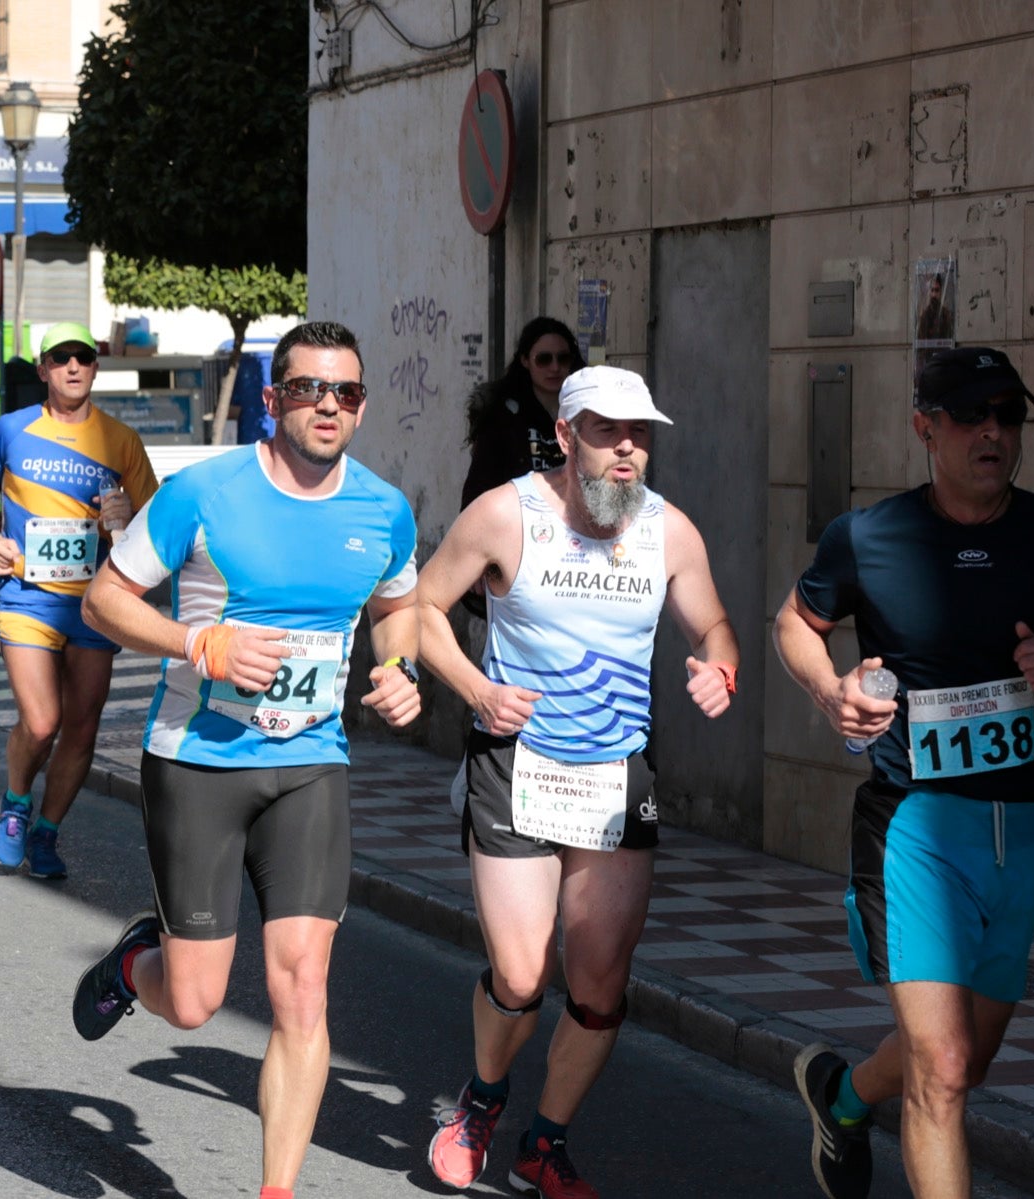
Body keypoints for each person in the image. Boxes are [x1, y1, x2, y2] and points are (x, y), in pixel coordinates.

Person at [75, 320, 421, 1199]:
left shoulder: (384, 508)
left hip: (310, 764)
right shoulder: (205, 492)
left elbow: (399, 603)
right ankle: (132, 966)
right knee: (193, 1003)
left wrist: (401, 667)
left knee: (303, 989)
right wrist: (199, 644)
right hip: (196, 762)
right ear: (273, 400)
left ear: (362, 403)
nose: (327, 406)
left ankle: (276, 1190)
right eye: (308, 388)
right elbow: (105, 599)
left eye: (344, 392)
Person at [416, 364, 739, 1198]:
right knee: (523, 975)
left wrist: (720, 665)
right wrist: (476, 688)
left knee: (599, 984)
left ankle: (544, 1142)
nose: (628, 448)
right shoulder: (504, 514)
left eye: (640, 434)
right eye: (607, 430)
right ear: (566, 436)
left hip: (613, 772)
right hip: (517, 762)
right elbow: (420, 610)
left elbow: (711, 620)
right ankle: (482, 1101)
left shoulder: (668, 530)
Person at [773, 347, 1034, 1199]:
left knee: (965, 1056)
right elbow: (795, 621)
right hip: (914, 829)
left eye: (1009, 416)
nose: (994, 433)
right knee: (941, 1066)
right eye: (972, 415)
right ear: (924, 426)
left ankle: (843, 1093)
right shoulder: (870, 536)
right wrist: (830, 692)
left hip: (1022, 829)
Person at [0, 320, 159, 879]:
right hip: (27, 594)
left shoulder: (121, 440)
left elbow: (154, 521)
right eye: (62, 357)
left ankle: (48, 832)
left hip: (96, 602)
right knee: (43, 721)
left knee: (83, 725)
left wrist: (123, 523)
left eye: (85, 357)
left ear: (95, 366)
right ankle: (17, 802)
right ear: (44, 368)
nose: (75, 366)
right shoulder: (10, 430)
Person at [460, 317, 582, 512]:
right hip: (520, 528)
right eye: (544, 359)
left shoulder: (586, 413)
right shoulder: (502, 419)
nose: (555, 367)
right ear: (525, 361)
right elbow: (477, 495)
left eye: (563, 358)